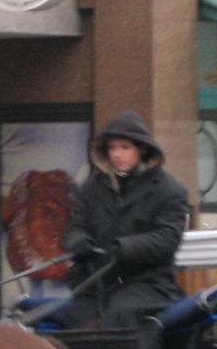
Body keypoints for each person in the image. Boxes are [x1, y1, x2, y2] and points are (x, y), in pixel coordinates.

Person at [61, 110, 189, 329]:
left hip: (147, 284)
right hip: (95, 283)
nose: (116, 154)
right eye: (112, 147)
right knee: (77, 323)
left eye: (124, 147)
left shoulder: (170, 190)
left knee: (118, 317)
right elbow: (76, 227)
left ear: (142, 149)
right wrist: (79, 244)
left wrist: (126, 248)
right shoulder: (92, 187)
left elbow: (167, 238)